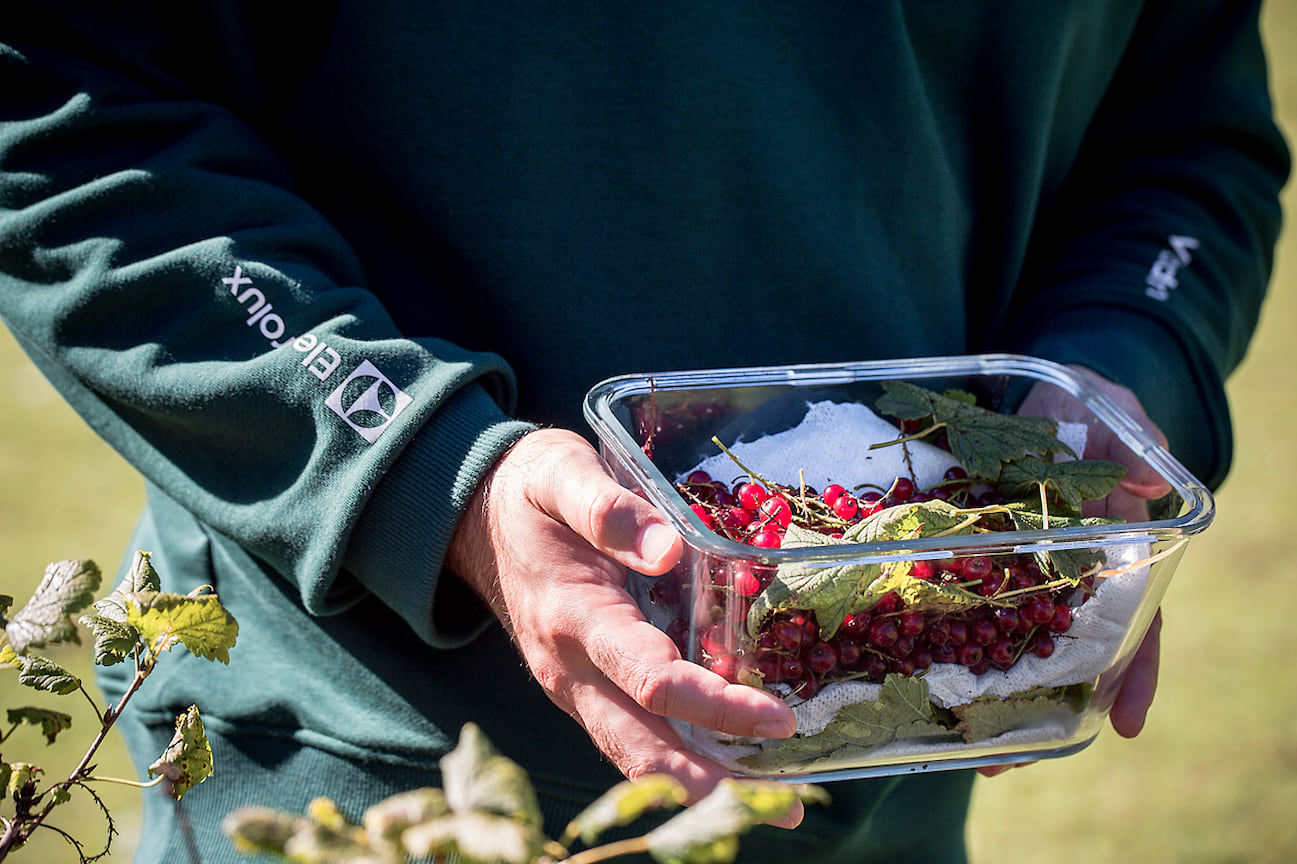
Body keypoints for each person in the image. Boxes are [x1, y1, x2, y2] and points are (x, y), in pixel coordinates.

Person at [0, 2, 1288, 861]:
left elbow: (1183, 130)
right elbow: (56, 98)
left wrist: (1109, 387)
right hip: (370, 773)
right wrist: (422, 467)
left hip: (891, 787)